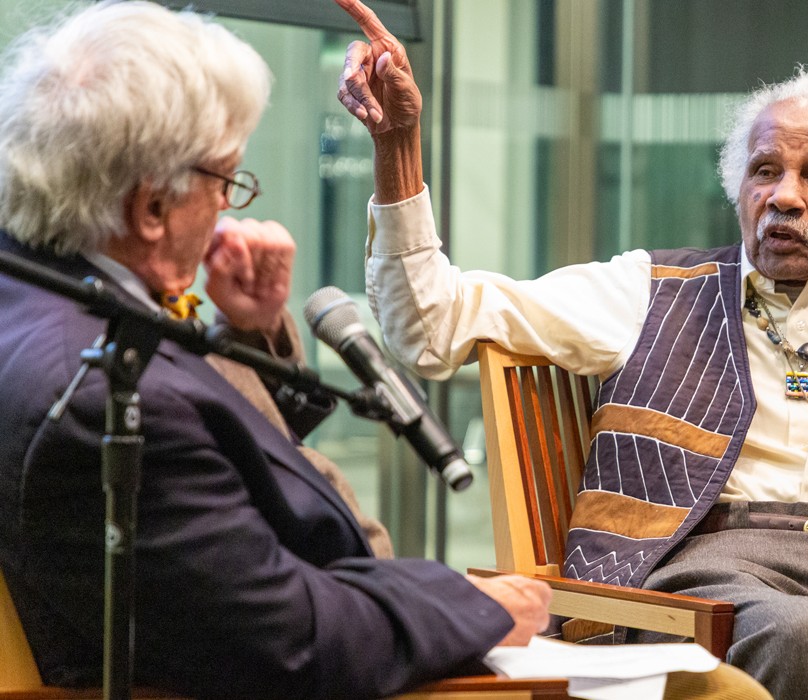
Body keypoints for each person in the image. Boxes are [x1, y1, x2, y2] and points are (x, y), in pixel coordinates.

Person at [336, 0, 808, 697]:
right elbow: (429, 326)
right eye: (765, 170)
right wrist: (398, 147)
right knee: (795, 636)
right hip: (697, 588)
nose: (784, 196)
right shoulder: (650, 289)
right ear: (737, 190)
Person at [0, 3, 553, 698]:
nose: (230, 208)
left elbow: (226, 464)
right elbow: (290, 640)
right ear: (150, 210)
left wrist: (251, 331)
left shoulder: (39, 299)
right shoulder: (101, 394)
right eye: (226, 180)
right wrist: (476, 604)